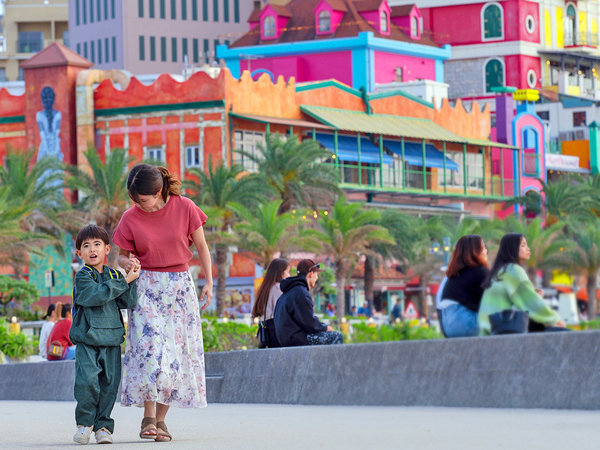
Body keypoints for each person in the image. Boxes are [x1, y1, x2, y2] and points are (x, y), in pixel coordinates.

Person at [113, 163, 213, 442]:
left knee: (175, 354)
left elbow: (202, 246)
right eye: (134, 200)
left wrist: (209, 281)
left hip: (180, 287)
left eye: (142, 200)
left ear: (158, 192)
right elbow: (121, 255)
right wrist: (128, 261)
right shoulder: (130, 217)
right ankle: (147, 416)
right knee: (149, 349)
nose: (138, 205)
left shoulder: (186, 207)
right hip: (146, 287)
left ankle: (161, 421)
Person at [69, 225, 140, 445]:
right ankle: (84, 425)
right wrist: (124, 281)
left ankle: (103, 427)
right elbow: (95, 295)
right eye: (86, 245)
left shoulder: (113, 274)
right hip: (88, 341)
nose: (92, 249)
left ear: (107, 249)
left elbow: (128, 302)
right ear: (79, 253)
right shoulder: (83, 277)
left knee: (110, 385)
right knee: (88, 382)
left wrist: (132, 277)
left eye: (97, 244)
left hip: (111, 340)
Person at [478, 233, 566, 335]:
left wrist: (534, 295)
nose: (528, 249)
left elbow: (521, 301)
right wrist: (555, 319)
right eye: (523, 245)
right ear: (513, 249)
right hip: (500, 329)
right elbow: (531, 303)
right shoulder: (513, 270)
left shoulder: (501, 271)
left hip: (489, 329)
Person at [273, 259, 344, 346]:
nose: (317, 278)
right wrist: (326, 328)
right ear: (310, 274)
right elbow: (310, 323)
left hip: (286, 339)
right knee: (337, 336)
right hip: (295, 340)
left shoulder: (289, 292)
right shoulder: (301, 293)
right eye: (316, 274)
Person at [438, 235, 490, 338]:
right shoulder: (480, 271)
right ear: (475, 251)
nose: (486, 251)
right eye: (483, 248)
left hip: (448, 327)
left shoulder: (453, 275)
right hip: (465, 324)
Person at [252, 258, 290, 348]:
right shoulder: (278, 288)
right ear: (281, 273)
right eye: (287, 272)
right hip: (277, 330)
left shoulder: (266, 288)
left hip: (267, 330)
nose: (289, 275)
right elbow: (282, 311)